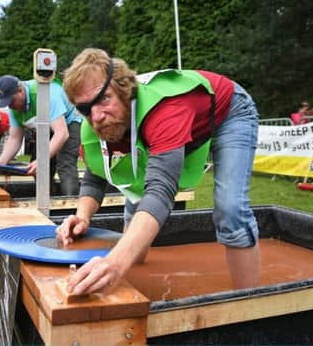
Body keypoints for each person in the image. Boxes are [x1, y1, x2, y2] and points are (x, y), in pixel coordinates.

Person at [56, 48, 260, 295]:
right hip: (175, 124)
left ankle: (248, 300)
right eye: (86, 108)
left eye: (104, 99)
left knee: (230, 208)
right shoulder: (97, 121)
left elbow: (161, 190)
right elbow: (97, 174)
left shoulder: (165, 110)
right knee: (135, 232)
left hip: (229, 111)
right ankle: (129, 258)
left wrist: (115, 261)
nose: (96, 116)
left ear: (124, 91)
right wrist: (82, 216)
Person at [0, 74, 82, 195]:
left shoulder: (46, 95)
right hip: (47, 126)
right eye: (7, 103)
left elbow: (62, 133)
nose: (10, 106)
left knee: (65, 163)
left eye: (11, 101)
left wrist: (42, 159)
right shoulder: (14, 109)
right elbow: (14, 139)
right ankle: (48, 202)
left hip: (70, 121)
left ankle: (72, 207)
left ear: (20, 91)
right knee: (37, 166)